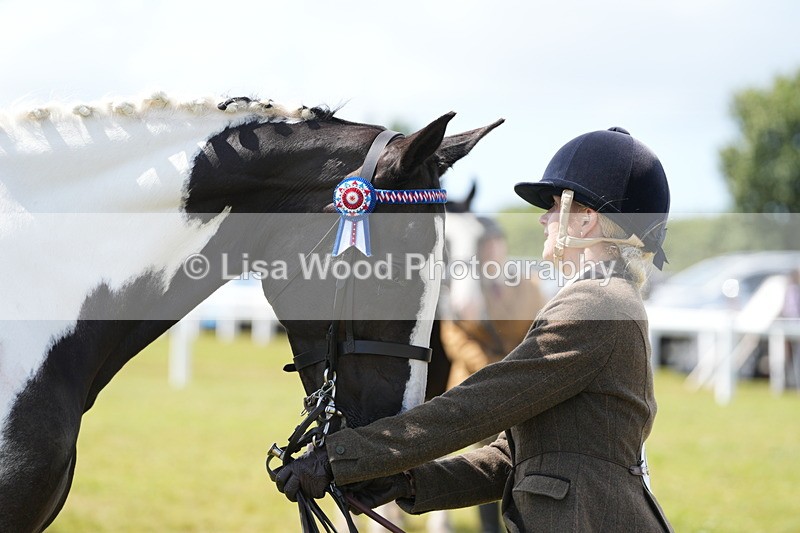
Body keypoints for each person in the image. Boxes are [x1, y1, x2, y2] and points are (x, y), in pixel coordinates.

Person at [276, 127, 674, 532]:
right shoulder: (601, 298)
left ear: (586, 219)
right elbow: (513, 458)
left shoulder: (595, 304)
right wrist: (403, 482)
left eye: (556, 206)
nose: (544, 218)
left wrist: (344, 455)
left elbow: (482, 404)